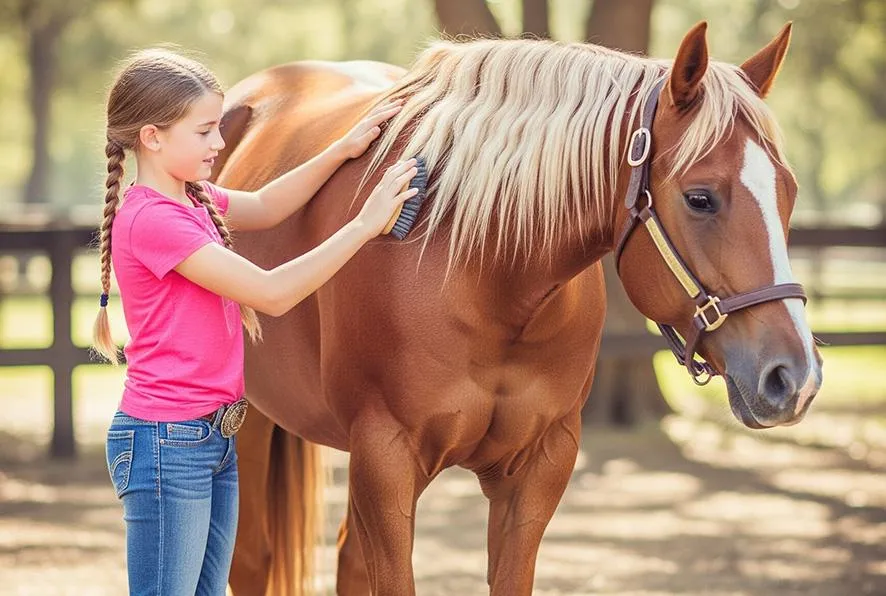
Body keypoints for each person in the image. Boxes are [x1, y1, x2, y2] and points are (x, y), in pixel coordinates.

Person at [94, 48, 417, 595]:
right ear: (152, 136)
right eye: (204, 132)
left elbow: (268, 205)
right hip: (167, 444)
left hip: (212, 436)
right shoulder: (152, 220)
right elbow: (270, 293)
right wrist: (364, 225)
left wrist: (342, 149)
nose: (219, 144)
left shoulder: (194, 200)